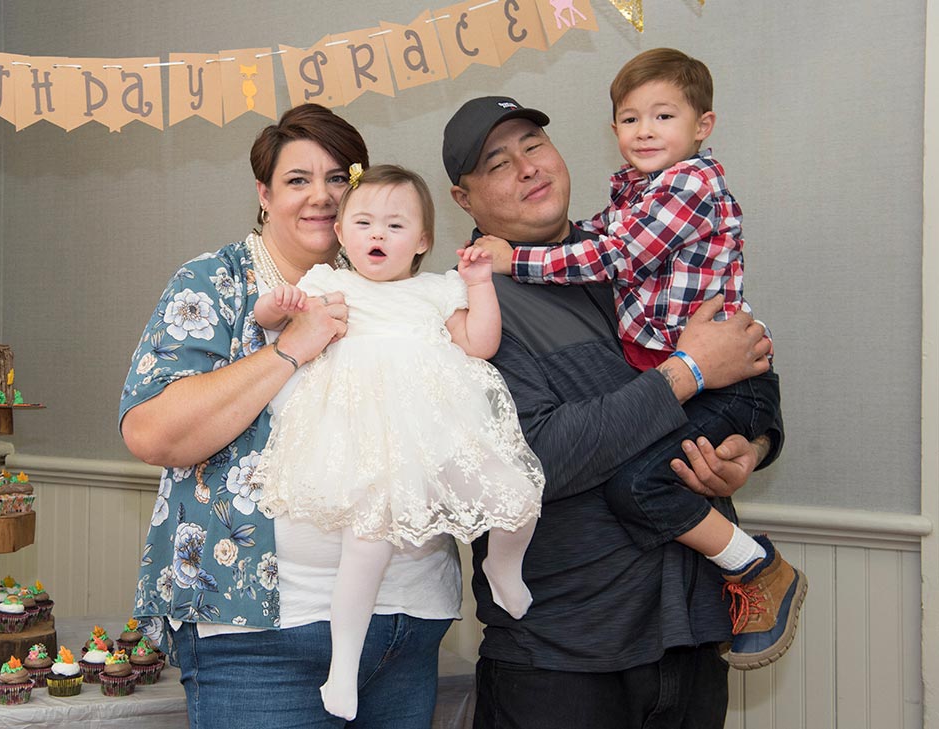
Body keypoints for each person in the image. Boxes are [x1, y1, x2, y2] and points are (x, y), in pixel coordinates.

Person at [442, 94, 786, 727]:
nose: (527, 168)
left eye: (534, 145)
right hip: (562, 655)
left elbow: (748, 369)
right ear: (464, 199)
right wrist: (688, 372)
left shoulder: (634, 252)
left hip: (693, 633)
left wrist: (748, 450)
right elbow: (539, 458)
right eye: (496, 163)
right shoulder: (466, 311)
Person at [120, 105, 462, 729]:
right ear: (264, 194)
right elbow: (152, 432)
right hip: (262, 637)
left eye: (338, 179)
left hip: (407, 621)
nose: (322, 197)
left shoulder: (407, 288)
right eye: (298, 180)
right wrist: (288, 350)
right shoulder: (217, 284)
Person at [252, 164, 545, 720]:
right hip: (365, 441)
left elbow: (479, 345)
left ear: (423, 241)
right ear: (341, 234)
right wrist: (282, 302)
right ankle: (343, 672)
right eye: (362, 223)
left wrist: (480, 285)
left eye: (394, 224)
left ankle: (502, 568)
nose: (377, 235)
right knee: (366, 548)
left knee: (517, 494)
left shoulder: (437, 290)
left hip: (434, 434)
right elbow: (268, 315)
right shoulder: (327, 283)